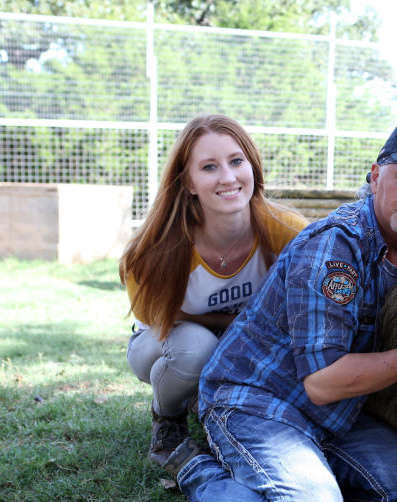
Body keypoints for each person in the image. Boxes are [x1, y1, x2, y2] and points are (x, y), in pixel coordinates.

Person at [163, 121, 397, 502]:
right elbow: (323, 383)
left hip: (333, 416)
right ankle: (196, 471)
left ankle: (301, 472)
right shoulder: (334, 249)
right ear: (376, 176)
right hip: (255, 402)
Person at [119, 114, 308, 468]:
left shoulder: (288, 232)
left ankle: (216, 404)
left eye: (236, 161)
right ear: (188, 182)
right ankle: (168, 417)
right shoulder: (154, 251)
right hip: (162, 344)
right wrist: (231, 326)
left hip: (246, 341)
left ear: (252, 165)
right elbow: (157, 317)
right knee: (198, 349)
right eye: (208, 167)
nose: (228, 177)